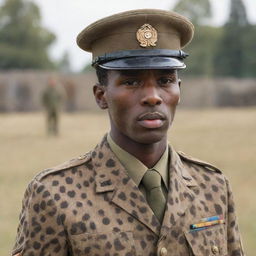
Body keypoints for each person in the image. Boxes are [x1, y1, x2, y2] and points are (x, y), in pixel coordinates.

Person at [12, 9, 244, 256]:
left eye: (165, 80)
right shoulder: (55, 195)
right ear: (101, 96)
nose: (153, 97)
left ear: (179, 90)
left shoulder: (212, 186)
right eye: (131, 82)